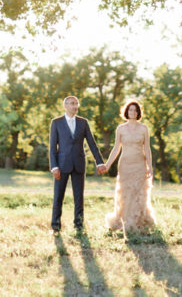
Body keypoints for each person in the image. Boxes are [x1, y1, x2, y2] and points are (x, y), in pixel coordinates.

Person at [49, 95, 105, 234]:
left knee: (79, 197)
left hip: (79, 164)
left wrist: (99, 162)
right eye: (72, 103)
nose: (75, 106)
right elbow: (52, 147)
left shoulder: (83, 122)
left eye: (76, 104)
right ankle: (55, 226)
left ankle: (79, 225)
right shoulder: (56, 122)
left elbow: (92, 144)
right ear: (65, 105)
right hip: (61, 165)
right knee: (58, 197)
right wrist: (54, 166)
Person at [101, 98, 156, 232]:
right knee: (125, 193)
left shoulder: (144, 129)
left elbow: (147, 149)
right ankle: (123, 221)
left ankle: (138, 222)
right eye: (130, 109)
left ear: (138, 113)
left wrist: (150, 166)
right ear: (127, 111)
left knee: (138, 193)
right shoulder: (121, 128)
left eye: (135, 110)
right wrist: (107, 165)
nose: (133, 112)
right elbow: (116, 148)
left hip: (139, 165)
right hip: (125, 164)